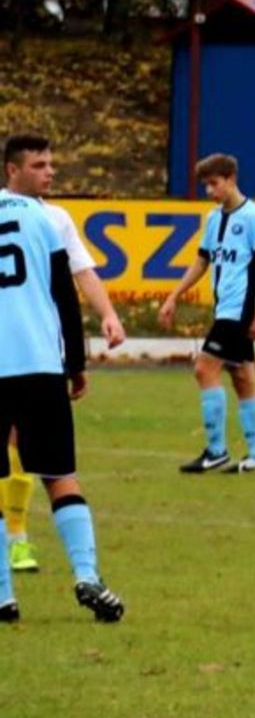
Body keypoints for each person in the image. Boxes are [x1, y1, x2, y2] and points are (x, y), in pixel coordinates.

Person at [1, 135, 127, 575]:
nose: (50, 172)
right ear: (12, 169)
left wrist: (108, 313)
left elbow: (81, 273)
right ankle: (18, 537)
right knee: (46, 461)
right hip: (38, 361)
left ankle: (15, 546)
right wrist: (77, 362)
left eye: (51, 165)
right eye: (39, 165)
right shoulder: (46, 220)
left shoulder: (57, 217)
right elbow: (66, 290)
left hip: (30, 358)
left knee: (23, 446)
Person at [157, 154, 255, 473]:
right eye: (206, 185)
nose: (210, 191)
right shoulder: (212, 219)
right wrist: (173, 296)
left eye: (214, 183)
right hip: (224, 308)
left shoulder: (253, 216)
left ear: (231, 179)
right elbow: (201, 261)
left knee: (204, 369)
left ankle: (216, 450)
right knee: (242, 376)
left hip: (239, 310)